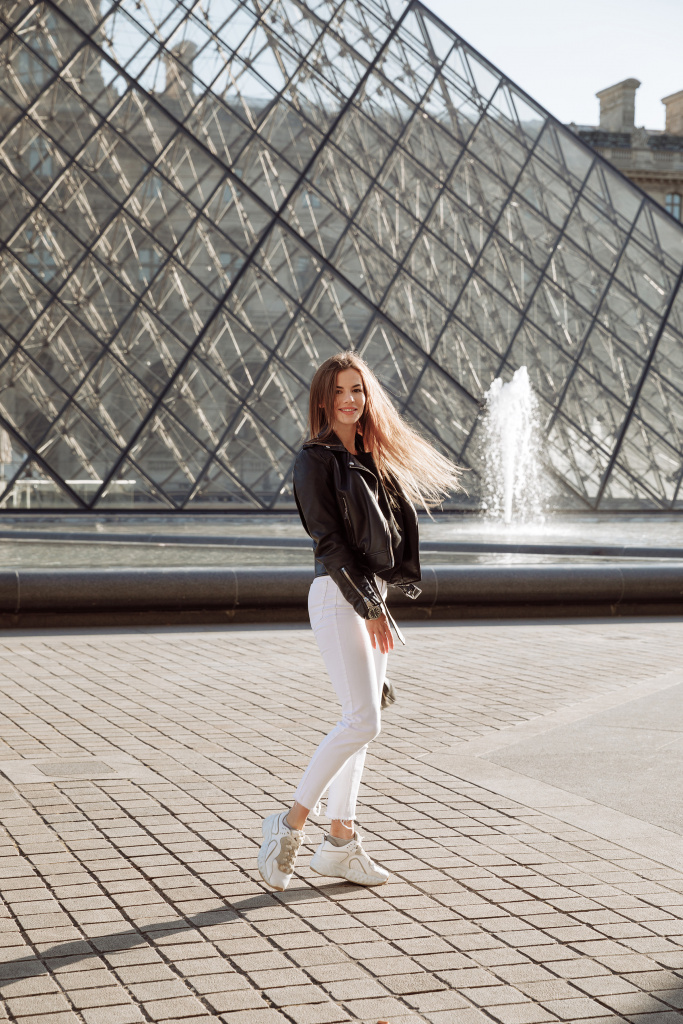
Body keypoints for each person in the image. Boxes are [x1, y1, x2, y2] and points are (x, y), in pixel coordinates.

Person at [257, 351, 461, 891]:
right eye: (340, 391)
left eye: (358, 390)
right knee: (363, 721)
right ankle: (289, 823)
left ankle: (341, 843)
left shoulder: (370, 458)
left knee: (363, 722)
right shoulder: (315, 459)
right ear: (323, 400)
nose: (350, 400)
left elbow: (385, 540)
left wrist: (379, 601)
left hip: (371, 598)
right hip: (338, 597)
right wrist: (368, 605)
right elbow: (330, 543)